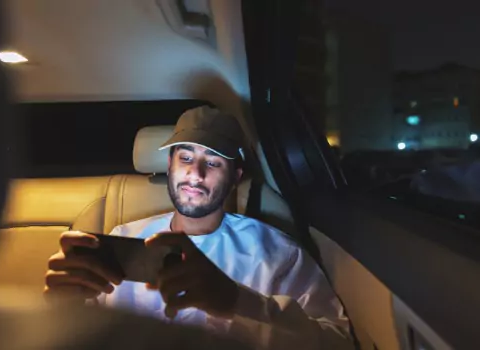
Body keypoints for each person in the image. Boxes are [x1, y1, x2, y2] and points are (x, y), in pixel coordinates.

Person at [44, 106, 354, 349]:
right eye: (186, 158)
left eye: (214, 162)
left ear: (235, 176)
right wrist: (61, 306)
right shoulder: (123, 239)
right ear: (169, 166)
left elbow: (337, 343)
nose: (195, 174)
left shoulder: (278, 255)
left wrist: (236, 301)